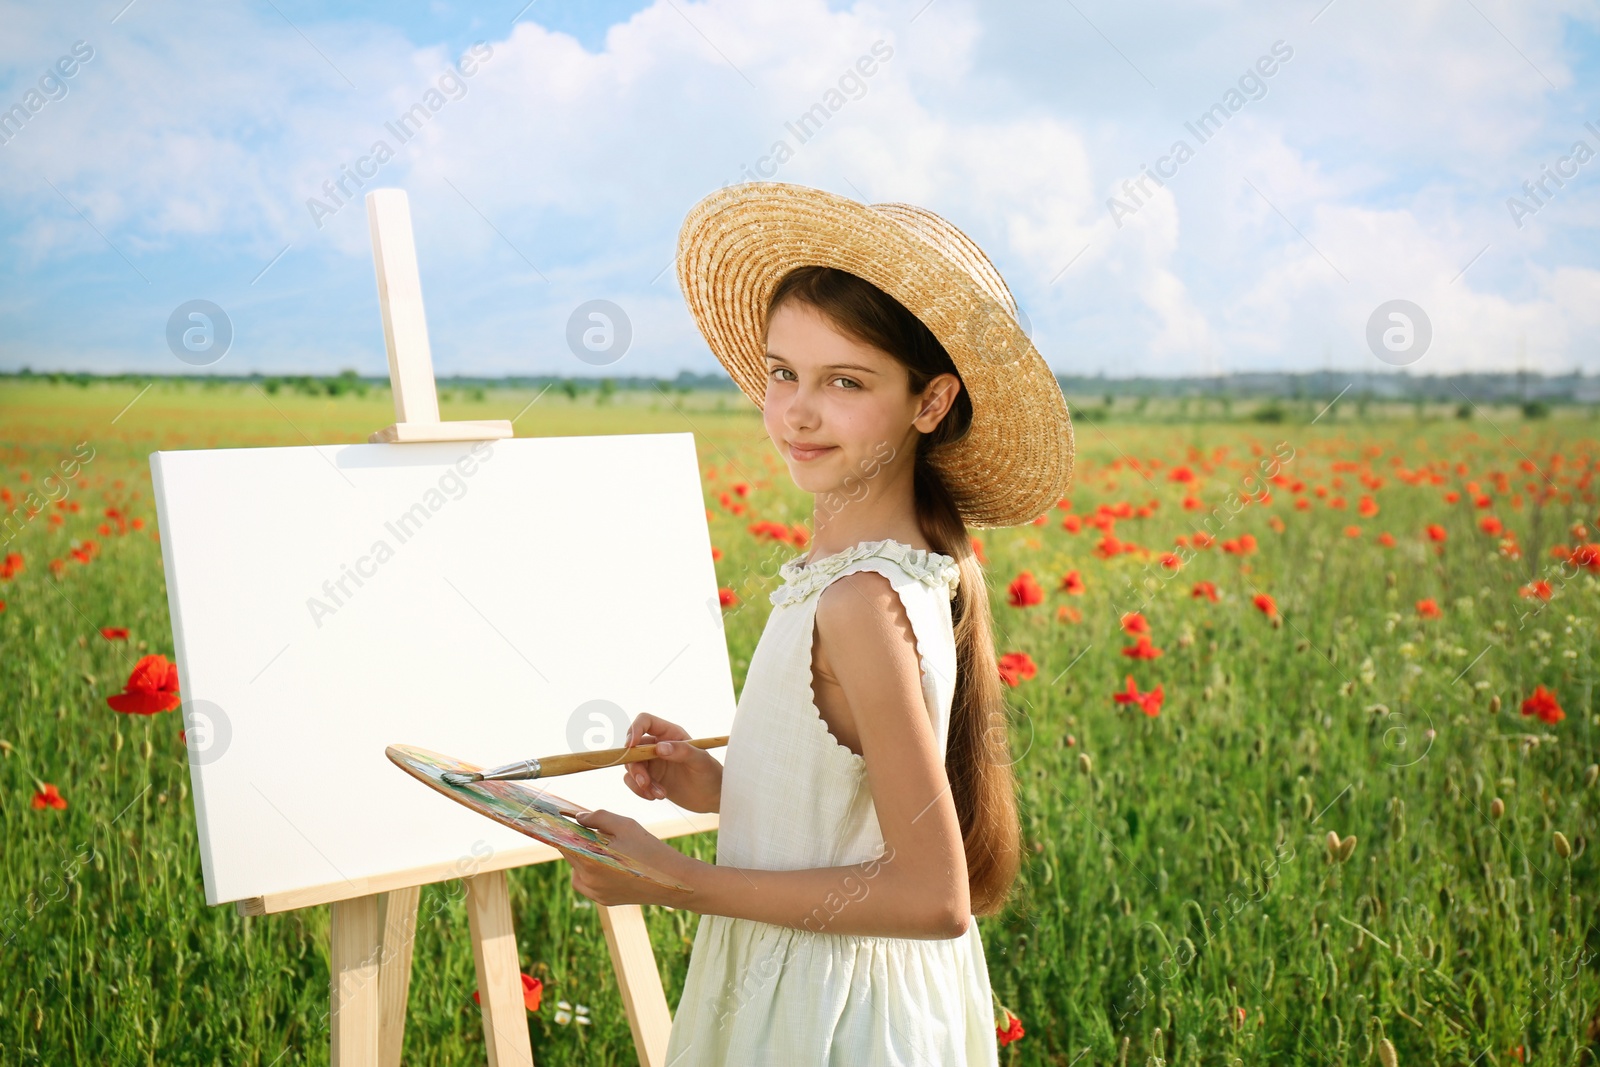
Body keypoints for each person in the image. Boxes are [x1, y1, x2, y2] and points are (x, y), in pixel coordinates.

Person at [555, 182, 1074, 1064]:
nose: (797, 408)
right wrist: (727, 785)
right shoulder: (890, 574)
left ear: (931, 401)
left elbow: (933, 896)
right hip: (833, 988)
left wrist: (676, 879)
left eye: (845, 380)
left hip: (835, 1015)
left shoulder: (859, 602)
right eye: (782, 372)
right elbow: (861, 811)